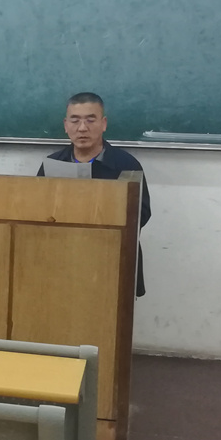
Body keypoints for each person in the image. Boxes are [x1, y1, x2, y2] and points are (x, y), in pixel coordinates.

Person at [38, 92, 151, 296]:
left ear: (103, 123)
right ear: (66, 125)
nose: (82, 128)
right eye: (75, 120)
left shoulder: (126, 165)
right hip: (64, 260)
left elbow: (141, 214)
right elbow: (37, 209)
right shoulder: (53, 164)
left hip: (112, 260)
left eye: (90, 120)